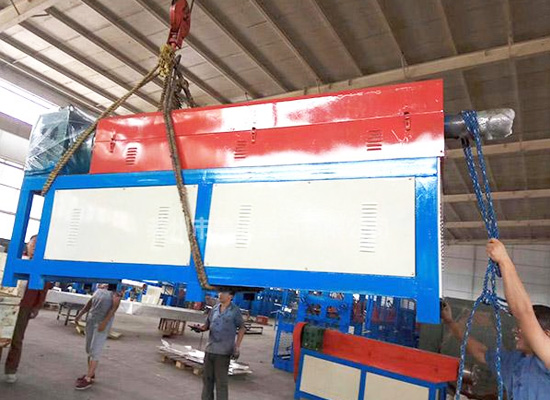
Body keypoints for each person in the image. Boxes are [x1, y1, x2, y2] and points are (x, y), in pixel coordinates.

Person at [442, 238, 550, 399]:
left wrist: (504, 261)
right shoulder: (514, 361)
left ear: (547, 335)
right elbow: (480, 351)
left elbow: (524, 312)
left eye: (523, 327)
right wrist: (450, 322)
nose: (515, 330)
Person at [1, 235, 52, 384]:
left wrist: (37, 307)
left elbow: (43, 289)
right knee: (1, 334)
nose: (34, 247)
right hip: (7, 302)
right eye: (32, 244)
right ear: (27, 246)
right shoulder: (17, 261)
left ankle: (11, 370)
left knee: (17, 338)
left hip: (24, 306)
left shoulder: (42, 267)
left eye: (38, 245)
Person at [192, 290, 246, 400]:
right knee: (207, 380)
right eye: (220, 292)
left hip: (223, 352)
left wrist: (237, 346)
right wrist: (200, 328)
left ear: (231, 296)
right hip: (210, 349)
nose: (220, 294)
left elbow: (242, 328)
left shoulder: (235, 311)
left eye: (224, 293)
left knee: (221, 382)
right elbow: (207, 325)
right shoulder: (214, 309)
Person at [73, 283, 121, 390]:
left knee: (95, 350)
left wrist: (104, 322)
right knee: (89, 348)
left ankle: (88, 379)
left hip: (101, 323)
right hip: (91, 320)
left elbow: (113, 309)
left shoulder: (115, 293)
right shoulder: (100, 289)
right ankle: (91, 373)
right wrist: (80, 314)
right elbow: (90, 303)